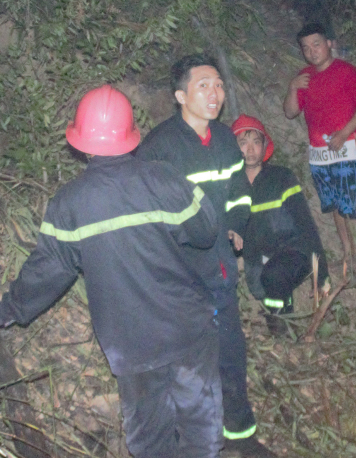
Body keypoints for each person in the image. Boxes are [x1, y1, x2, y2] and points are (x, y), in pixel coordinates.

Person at [0, 85, 225, 458]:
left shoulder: (68, 205)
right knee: (201, 438)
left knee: (151, 443)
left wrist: (1, 312)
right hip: (189, 330)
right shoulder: (164, 179)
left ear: (82, 144)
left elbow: (46, 272)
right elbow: (205, 230)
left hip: (132, 344)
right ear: (131, 137)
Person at [136, 55, 275, 458]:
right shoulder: (159, 148)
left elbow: (240, 191)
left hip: (219, 271)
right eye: (204, 86)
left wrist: (235, 220)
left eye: (218, 85)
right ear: (181, 95)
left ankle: (241, 437)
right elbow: (146, 215)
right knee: (186, 368)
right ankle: (189, 444)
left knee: (231, 354)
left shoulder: (228, 140)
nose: (215, 94)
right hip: (178, 279)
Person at [283, 23, 356, 274]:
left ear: (329, 43)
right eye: (306, 48)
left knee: (352, 205)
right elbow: (290, 112)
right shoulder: (304, 78)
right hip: (320, 154)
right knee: (335, 205)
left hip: (348, 149)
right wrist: (292, 88)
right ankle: (347, 253)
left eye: (317, 44)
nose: (312, 51)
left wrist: (344, 133)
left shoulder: (347, 72)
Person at [230, 115, 329, 335]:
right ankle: (281, 331)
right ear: (233, 147)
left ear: (264, 146)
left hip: (294, 251)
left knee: (275, 275)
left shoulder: (281, 178)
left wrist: (321, 273)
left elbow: (306, 225)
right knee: (266, 285)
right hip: (257, 260)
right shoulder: (231, 186)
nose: (251, 148)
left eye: (256, 141)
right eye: (243, 142)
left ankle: (284, 336)